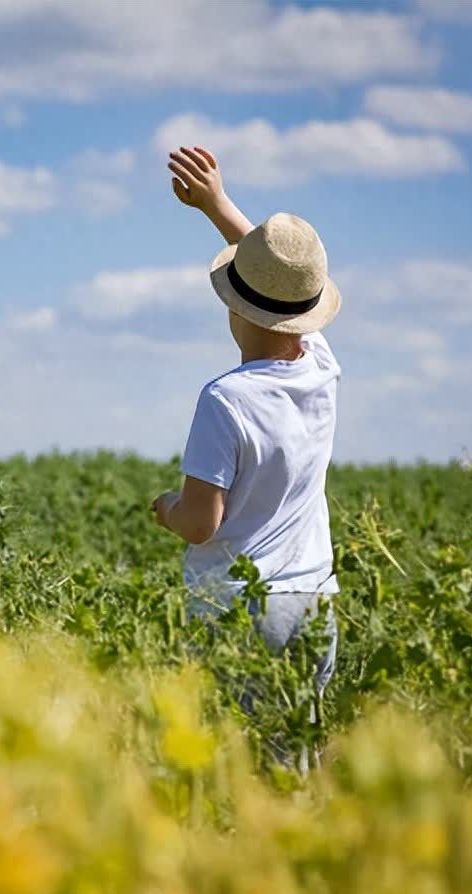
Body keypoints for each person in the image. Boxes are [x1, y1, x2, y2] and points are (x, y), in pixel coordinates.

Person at [150, 145, 341, 723]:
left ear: (234, 309)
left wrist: (165, 508)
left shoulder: (226, 399)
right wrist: (218, 204)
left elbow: (200, 522)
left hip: (240, 609)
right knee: (297, 751)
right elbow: (283, 276)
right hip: (315, 603)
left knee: (235, 757)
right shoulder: (322, 368)